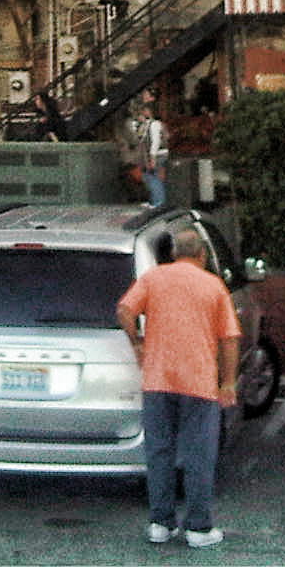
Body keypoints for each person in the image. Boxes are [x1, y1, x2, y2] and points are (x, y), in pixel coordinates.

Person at [116, 227, 241, 550]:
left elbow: (125, 310)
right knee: (199, 456)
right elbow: (229, 339)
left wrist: (137, 342)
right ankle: (198, 527)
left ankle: (160, 523)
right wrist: (228, 381)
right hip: (198, 383)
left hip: (158, 380)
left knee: (159, 452)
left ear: (173, 254)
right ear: (201, 254)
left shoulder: (153, 278)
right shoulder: (213, 286)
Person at [138, 100, 168, 206]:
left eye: (144, 110)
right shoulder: (148, 124)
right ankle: (154, 200)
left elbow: (155, 142)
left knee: (155, 177)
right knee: (149, 177)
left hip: (158, 155)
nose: (143, 113)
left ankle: (159, 202)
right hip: (153, 155)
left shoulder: (154, 124)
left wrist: (152, 158)